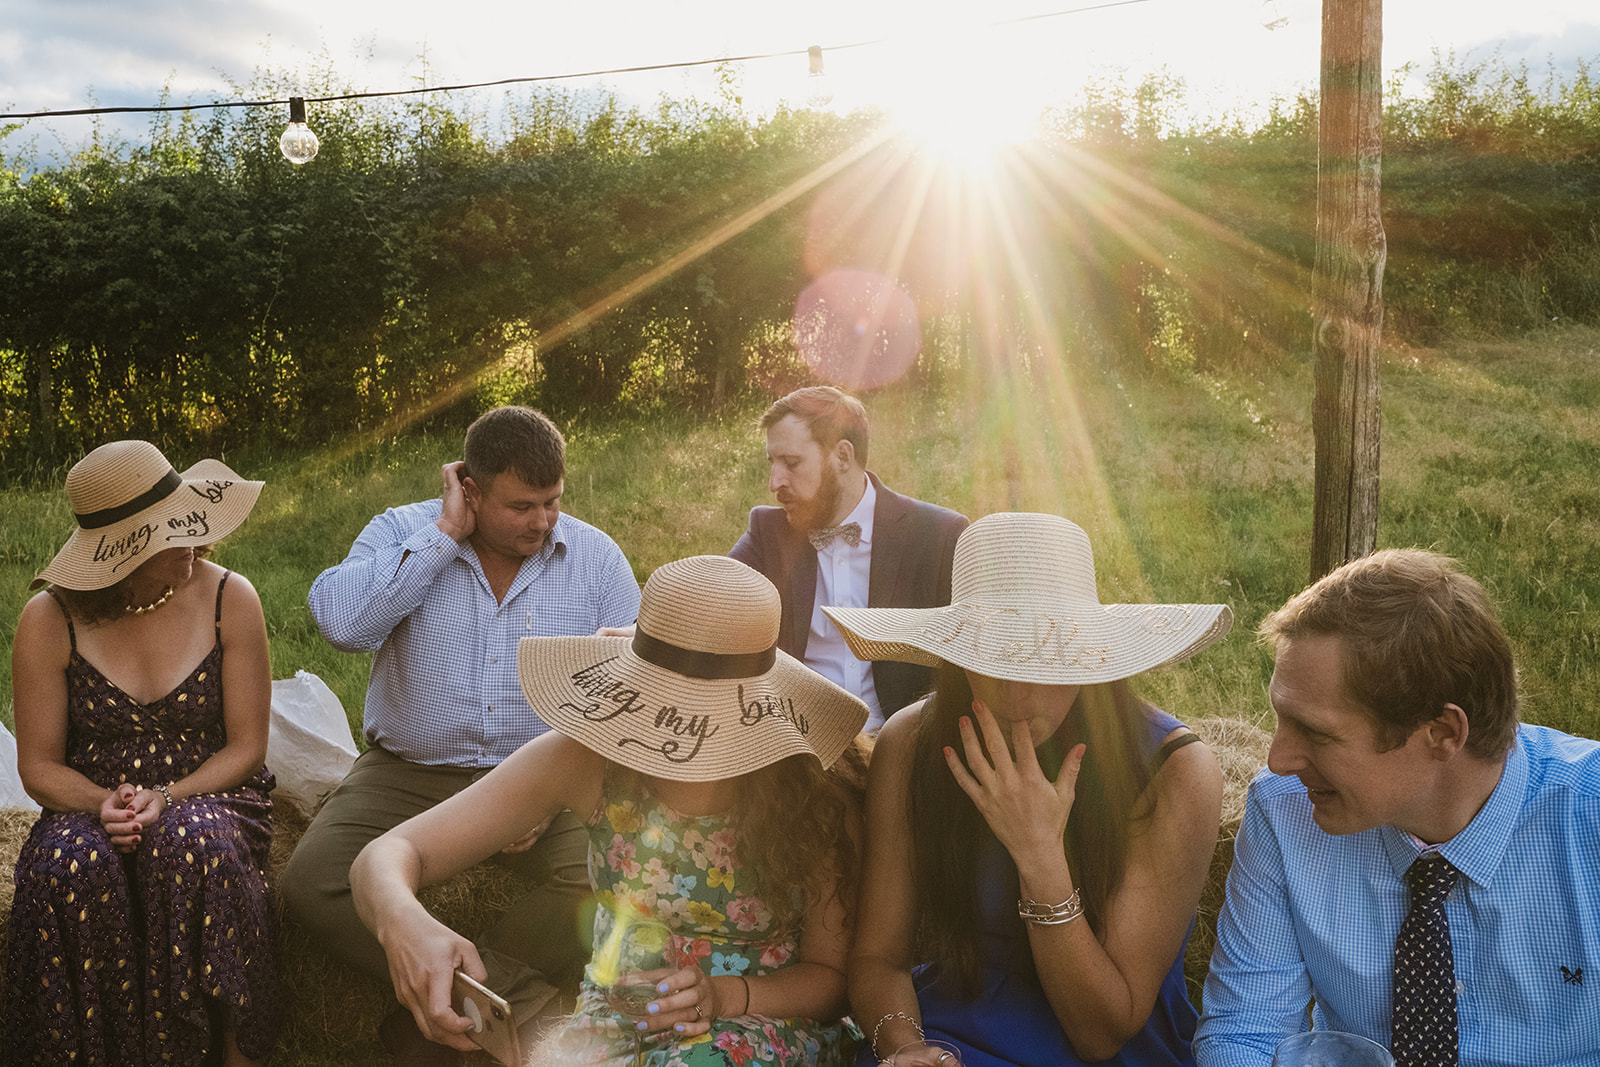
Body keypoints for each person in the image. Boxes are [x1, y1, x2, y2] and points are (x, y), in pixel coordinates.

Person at [350, 554, 870, 1066]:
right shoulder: (587, 758)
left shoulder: (813, 791)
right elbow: (391, 853)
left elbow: (832, 980)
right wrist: (404, 922)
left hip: (763, 1024)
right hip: (616, 1023)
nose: (680, 742)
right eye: (668, 711)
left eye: (704, 722)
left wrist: (728, 996)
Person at [283, 405, 642, 1065]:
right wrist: (445, 534)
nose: (541, 520)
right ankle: (505, 1010)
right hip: (406, 771)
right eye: (520, 506)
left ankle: (434, 1030)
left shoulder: (595, 557)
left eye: (552, 501)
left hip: (544, 770)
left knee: (613, 883)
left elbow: (632, 691)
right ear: (469, 489)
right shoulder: (406, 531)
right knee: (312, 882)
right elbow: (340, 623)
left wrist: (549, 788)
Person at [829, 512, 1234, 1067]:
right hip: (945, 1032)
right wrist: (904, 1048)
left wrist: (1040, 857)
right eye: (991, 659)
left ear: (1092, 655)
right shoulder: (912, 743)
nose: (1018, 694)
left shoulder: (1174, 772)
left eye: (1047, 662)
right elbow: (879, 957)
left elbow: (1102, 1033)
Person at [1195, 549, 1600, 1067]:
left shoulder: (1587, 820)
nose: (1277, 760)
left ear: (1442, 733)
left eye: (1316, 733)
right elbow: (1245, 1031)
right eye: (1281, 718)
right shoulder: (1285, 813)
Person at [6, 440, 280, 1066]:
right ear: (116, 560)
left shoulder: (230, 598)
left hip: (212, 790)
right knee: (64, 870)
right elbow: (39, 767)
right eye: (165, 532)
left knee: (192, 844)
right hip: (89, 801)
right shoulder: (49, 621)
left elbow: (247, 747)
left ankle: (234, 1054)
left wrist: (169, 796)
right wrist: (106, 805)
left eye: (188, 520)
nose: (188, 538)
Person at [730, 386, 967, 730]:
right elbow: (712, 595)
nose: (774, 482)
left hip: (903, 746)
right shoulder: (769, 532)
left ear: (843, 456)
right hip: (799, 748)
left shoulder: (939, 535)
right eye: (773, 463)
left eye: (791, 463)